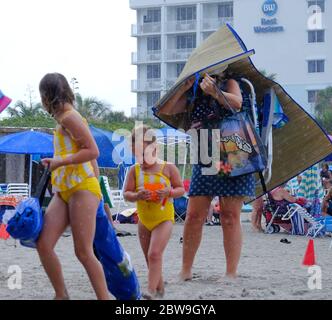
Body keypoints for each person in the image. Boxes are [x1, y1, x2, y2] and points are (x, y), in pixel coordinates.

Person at [157, 69, 256, 280]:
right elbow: (166, 110)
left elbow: (237, 103)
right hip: (204, 154)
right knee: (194, 216)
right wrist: (183, 88)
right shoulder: (193, 92)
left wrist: (215, 93)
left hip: (234, 153)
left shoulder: (231, 82)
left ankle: (231, 272)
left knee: (230, 216)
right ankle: (185, 270)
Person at [37, 73, 109, 300]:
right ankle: (62, 295)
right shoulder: (63, 119)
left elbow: (93, 151)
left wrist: (58, 162)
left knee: (84, 252)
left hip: (81, 187)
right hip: (65, 189)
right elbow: (89, 157)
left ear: (47, 95)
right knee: (44, 243)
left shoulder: (69, 117)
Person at [124, 125, 185, 299]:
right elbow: (127, 194)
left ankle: (150, 291)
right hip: (144, 220)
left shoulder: (168, 168)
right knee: (149, 257)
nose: (141, 159)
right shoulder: (134, 171)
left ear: (155, 149)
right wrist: (137, 195)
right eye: (137, 155)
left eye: (144, 154)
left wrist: (169, 192)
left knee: (154, 254)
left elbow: (180, 189)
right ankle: (159, 289)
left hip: (164, 218)